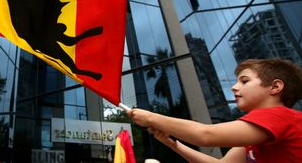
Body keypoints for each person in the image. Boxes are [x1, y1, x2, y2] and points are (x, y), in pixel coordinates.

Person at [127, 58, 302, 163]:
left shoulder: (280, 116)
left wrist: (151, 117)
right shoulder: (258, 134)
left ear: (275, 87)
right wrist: (173, 143)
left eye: (244, 81)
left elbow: (206, 135)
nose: (234, 87)